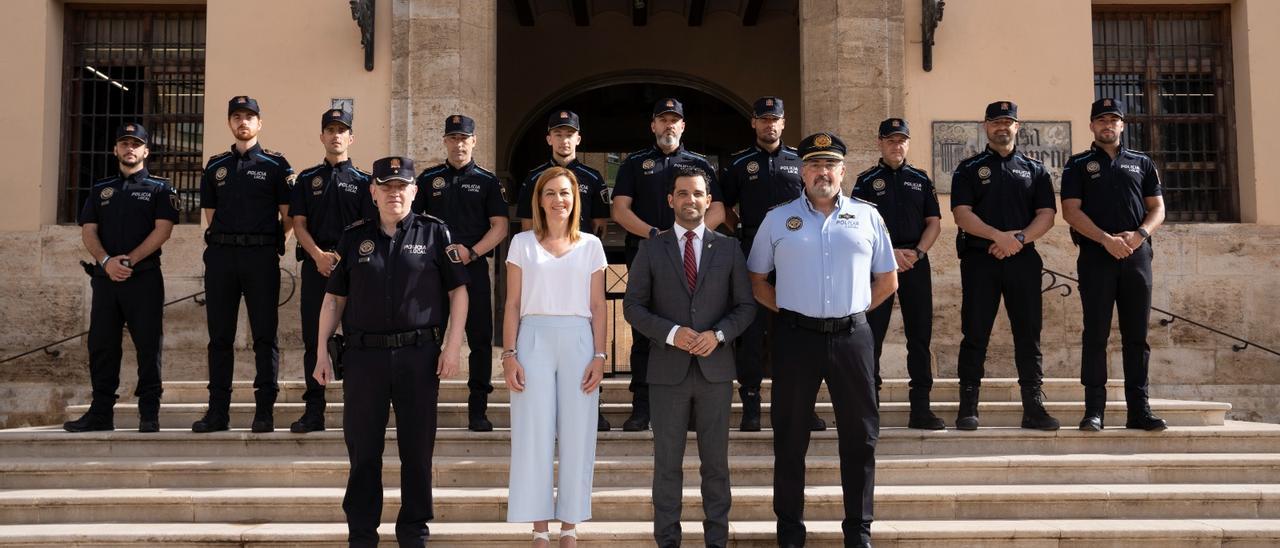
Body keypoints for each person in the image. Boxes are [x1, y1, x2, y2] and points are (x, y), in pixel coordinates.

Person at [748, 132, 897, 548]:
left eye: (830, 165)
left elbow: (887, 279)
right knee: (791, 438)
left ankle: (858, 531)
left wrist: (853, 311)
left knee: (861, 438)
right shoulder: (777, 219)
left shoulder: (868, 216)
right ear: (802, 171)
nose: (822, 172)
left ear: (842, 171)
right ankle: (791, 533)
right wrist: (793, 309)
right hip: (796, 339)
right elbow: (757, 280)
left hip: (853, 339)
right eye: (814, 165)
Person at [313, 156, 469, 548]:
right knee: (363, 452)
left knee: (417, 453)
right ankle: (362, 535)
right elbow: (334, 299)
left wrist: (452, 347)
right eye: (386, 186)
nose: (394, 193)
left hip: (420, 357)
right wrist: (320, 352)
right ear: (373, 192)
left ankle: (413, 533)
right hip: (365, 360)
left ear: (414, 191)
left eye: (402, 186)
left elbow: (459, 292)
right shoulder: (354, 237)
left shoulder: (435, 233)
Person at [623, 165, 756, 548]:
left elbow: (745, 307)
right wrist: (672, 333)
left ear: (709, 200)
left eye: (698, 193)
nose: (690, 200)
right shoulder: (651, 248)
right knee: (667, 465)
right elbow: (633, 306)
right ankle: (668, 540)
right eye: (682, 193)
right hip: (667, 372)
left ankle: (717, 539)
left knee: (715, 465)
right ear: (670, 200)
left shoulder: (729, 248)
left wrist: (717, 335)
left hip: (715, 371)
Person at [502, 166, 607, 547]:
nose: (558, 200)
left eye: (565, 192)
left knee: (579, 432)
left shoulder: (591, 245)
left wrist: (600, 354)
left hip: (579, 338)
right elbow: (512, 304)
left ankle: (570, 524)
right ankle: (540, 529)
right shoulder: (522, 243)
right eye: (550, 193)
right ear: (540, 200)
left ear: (575, 199)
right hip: (533, 339)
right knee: (533, 433)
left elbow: (598, 305)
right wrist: (509, 354)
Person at [610, 97, 724, 431]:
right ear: (653, 126)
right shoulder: (635, 163)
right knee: (645, 332)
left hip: (693, 254)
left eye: (675, 120)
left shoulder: (700, 164)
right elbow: (619, 210)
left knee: (693, 324)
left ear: (683, 126)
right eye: (663, 120)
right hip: (648, 255)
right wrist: (657, 235)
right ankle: (641, 406)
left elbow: (717, 210)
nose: (669, 125)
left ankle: (691, 409)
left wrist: (691, 233)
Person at [720, 96, 828, 432]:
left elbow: (817, 201)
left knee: (798, 328)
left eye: (775, 119)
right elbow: (722, 205)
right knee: (751, 331)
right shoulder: (739, 163)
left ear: (784, 123)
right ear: (754, 123)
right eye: (763, 119)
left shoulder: (801, 161)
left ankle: (801, 406)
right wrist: (741, 226)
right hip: (753, 248)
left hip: (797, 252)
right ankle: (751, 406)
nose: (769, 125)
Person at [950, 100, 1060, 431]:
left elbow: (1047, 215)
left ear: (1017, 126)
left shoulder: (1035, 169)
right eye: (995, 121)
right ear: (985, 126)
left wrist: (1018, 241)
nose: (1002, 127)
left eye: (1007, 122)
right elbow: (961, 213)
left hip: (1023, 260)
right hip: (979, 260)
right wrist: (999, 237)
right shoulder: (968, 169)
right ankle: (968, 407)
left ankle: (1033, 407)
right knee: (974, 333)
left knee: (1029, 334)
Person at [1061, 97, 1168, 432]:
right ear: (1092, 125)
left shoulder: (1142, 162)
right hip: (1096, 256)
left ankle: (1139, 411)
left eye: (1114, 120)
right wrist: (1106, 239)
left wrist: (1139, 235)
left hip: (1136, 256)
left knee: (1137, 336)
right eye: (1101, 120)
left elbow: (1158, 208)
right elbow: (1071, 211)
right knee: (1096, 334)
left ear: (1122, 125)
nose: (1108, 125)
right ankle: (1094, 411)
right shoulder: (1077, 165)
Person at [64, 122, 178, 433]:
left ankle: (149, 413)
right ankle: (101, 413)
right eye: (124, 143)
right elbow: (89, 230)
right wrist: (105, 261)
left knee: (148, 347)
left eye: (136, 144)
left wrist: (129, 260)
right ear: (116, 149)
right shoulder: (101, 189)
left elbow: (163, 230)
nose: (130, 149)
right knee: (101, 346)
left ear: (146, 151)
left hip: (143, 278)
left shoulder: (160, 188)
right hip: (106, 279)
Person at [195, 96, 294, 433]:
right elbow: (211, 216)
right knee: (219, 337)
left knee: (265, 335)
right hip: (222, 257)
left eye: (249, 117)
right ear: (229, 123)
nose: (243, 122)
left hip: (260, 257)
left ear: (259, 123)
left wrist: (272, 244)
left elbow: (289, 216)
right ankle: (217, 412)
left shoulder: (276, 165)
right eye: (236, 116)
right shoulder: (214, 166)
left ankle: (264, 411)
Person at [515, 109, 613, 432]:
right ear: (549, 139)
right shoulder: (533, 178)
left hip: (579, 262)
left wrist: (579, 252)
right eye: (558, 133)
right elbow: (529, 226)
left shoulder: (593, 177)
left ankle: (591, 410)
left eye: (569, 134)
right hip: (544, 266)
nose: (564, 139)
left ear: (578, 139)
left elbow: (599, 224)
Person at [412, 114, 509, 432]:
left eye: (464, 138)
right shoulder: (428, 180)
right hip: (434, 274)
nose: (458, 144)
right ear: (445, 141)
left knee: (480, 341)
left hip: (473, 269)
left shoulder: (487, 181)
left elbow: (500, 227)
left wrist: (473, 252)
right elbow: (415, 225)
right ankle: (424, 409)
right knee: (428, 340)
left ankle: (478, 411)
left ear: (474, 141)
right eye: (453, 138)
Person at [851, 118, 945, 430]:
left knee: (920, 337)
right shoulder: (866, 181)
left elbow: (933, 222)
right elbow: (857, 225)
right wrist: (888, 255)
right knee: (871, 336)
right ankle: (869, 408)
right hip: (877, 265)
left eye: (902, 140)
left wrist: (917, 252)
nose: (897, 145)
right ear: (880, 142)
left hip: (915, 263)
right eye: (891, 140)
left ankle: (921, 409)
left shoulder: (920, 179)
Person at [287, 107, 374, 433]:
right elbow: (298, 223)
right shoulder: (307, 180)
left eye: (342, 130)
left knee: (356, 340)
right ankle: (314, 411)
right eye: (330, 130)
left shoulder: (365, 182)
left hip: (353, 271)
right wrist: (319, 256)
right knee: (316, 340)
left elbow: (368, 227)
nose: (336, 135)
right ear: (322, 136)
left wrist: (340, 257)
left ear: (351, 138)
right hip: (316, 268)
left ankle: (357, 410)